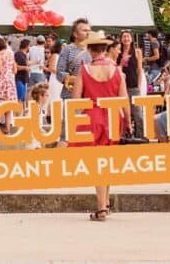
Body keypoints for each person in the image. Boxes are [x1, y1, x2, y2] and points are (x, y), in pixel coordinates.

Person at [69, 31, 129, 221]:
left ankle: (101, 207)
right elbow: (124, 99)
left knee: (97, 163)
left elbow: (76, 100)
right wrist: (128, 121)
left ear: (90, 49)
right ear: (105, 49)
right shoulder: (117, 70)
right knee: (109, 161)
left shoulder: (84, 70)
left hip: (92, 117)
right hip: (113, 117)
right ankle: (107, 202)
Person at [56, 18, 92, 145]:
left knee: (87, 129)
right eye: (84, 30)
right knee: (69, 129)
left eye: (89, 30)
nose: (88, 33)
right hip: (71, 94)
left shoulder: (92, 49)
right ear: (75, 34)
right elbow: (59, 72)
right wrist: (77, 79)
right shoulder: (67, 49)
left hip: (90, 95)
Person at [120, 30, 144, 138]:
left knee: (138, 115)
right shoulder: (118, 52)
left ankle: (140, 137)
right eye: (124, 37)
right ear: (121, 39)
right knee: (124, 114)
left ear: (131, 38)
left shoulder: (137, 52)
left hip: (134, 87)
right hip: (121, 88)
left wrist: (139, 85)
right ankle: (125, 136)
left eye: (128, 37)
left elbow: (139, 69)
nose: (126, 39)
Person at [0, 37, 17, 134]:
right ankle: (7, 128)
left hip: (1, 81)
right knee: (8, 106)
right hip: (10, 80)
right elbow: (14, 69)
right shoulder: (11, 53)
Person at [14, 39, 30, 104]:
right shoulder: (19, 54)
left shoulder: (23, 54)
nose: (30, 48)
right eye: (29, 46)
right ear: (26, 46)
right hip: (19, 79)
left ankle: (21, 112)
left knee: (22, 98)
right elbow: (15, 66)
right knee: (20, 98)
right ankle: (18, 113)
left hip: (23, 79)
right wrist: (25, 68)